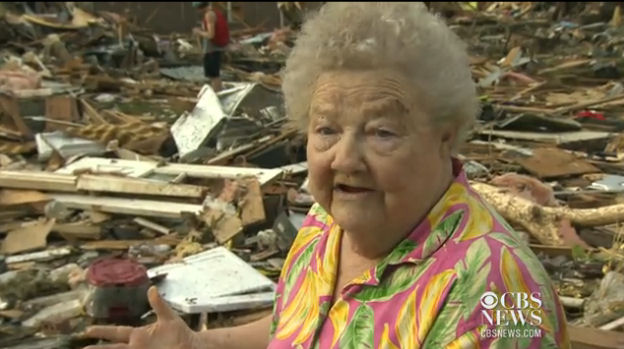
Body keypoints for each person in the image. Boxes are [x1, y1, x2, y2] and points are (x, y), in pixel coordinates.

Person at [83, 3, 570, 348]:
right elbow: (304, 323)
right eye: (326, 130)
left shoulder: (497, 292)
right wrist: (201, 345)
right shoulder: (326, 223)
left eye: (380, 132)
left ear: (445, 137)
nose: (343, 159)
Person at [192, 2, 229, 92]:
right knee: (213, 75)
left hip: (212, 50)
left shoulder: (209, 15)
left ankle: (217, 95)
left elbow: (210, 35)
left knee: (214, 76)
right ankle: (217, 93)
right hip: (212, 50)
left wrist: (198, 32)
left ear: (200, 7)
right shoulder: (214, 13)